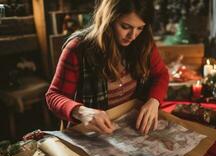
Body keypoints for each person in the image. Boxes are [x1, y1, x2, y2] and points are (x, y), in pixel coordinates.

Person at [46, 0, 169, 135]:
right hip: (90, 132)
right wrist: (81, 112)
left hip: (129, 125)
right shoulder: (78, 48)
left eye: (140, 28)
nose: (133, 36)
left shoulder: (143, 42)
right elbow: (53, 96)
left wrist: (154, 100)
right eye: (125, 26)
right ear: (109, 20)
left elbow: (161, 74)